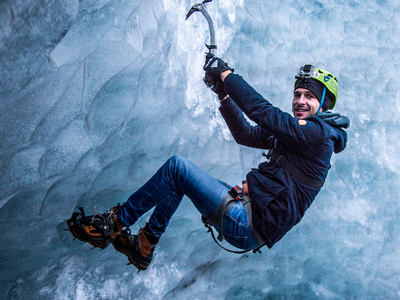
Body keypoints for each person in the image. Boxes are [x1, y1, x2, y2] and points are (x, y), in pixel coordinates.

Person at [66, 56, 350, 271]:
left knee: (177, 167)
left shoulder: (318, 136)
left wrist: (227, 75)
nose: (300, 100)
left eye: (309, 96)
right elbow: (247, 134)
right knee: (176, 181)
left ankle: (112, 225)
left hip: (246, 224)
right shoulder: (300, 134)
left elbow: (263, 113)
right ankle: (143, 245)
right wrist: (224, 95)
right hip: (245, 212)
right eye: (298, 94)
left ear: (324, 104)